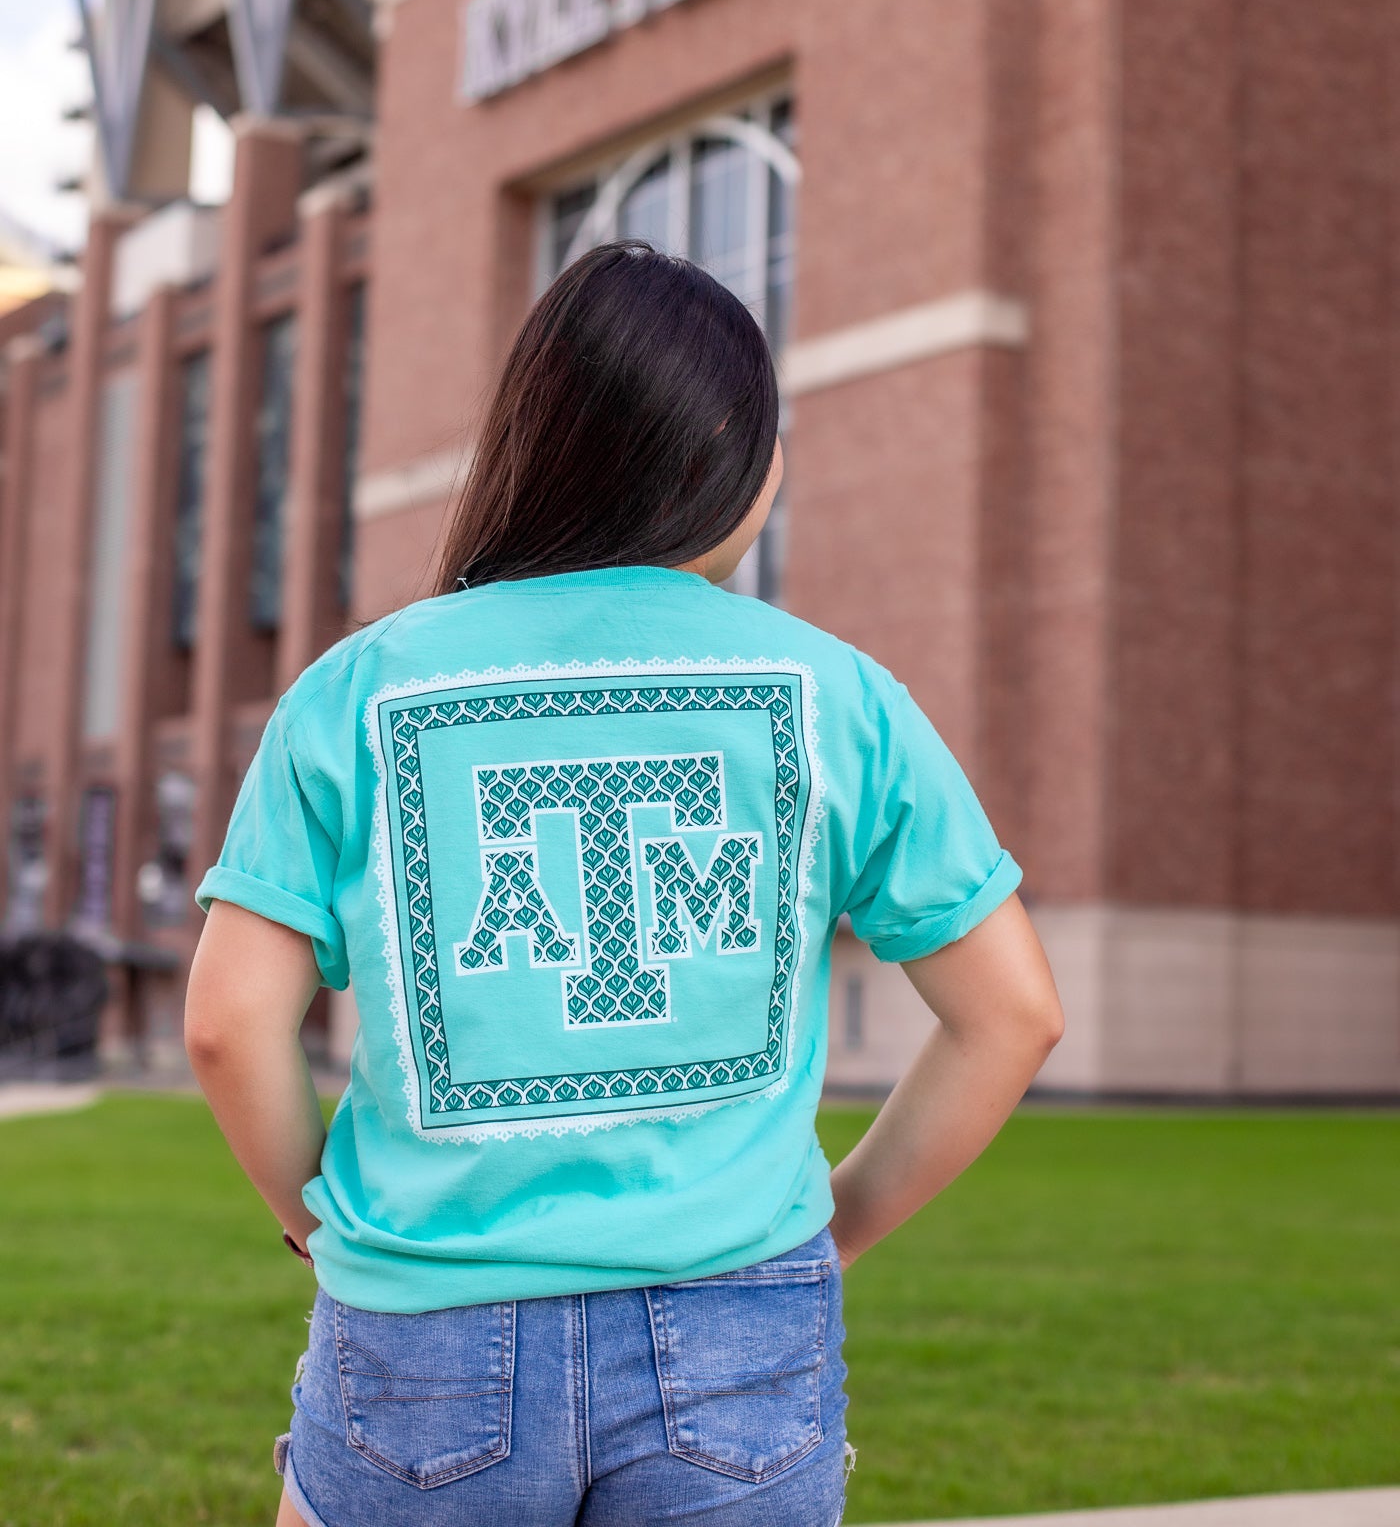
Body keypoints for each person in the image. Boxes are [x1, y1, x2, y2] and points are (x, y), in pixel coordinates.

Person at [186, 241, 1064, 1527]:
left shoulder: (358, 688)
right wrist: (835, 1227)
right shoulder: (844, 696)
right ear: (735, 459)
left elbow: (224, 1023)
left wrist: (315, 1222)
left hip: (423, 1333)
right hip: (739, 1327)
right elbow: (1014, 1013)